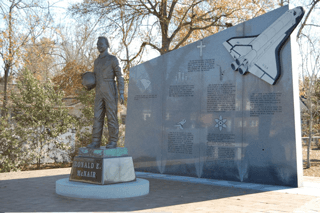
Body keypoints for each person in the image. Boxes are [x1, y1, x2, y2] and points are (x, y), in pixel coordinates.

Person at [86, 36, 124, 149]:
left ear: (107, 44)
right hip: (99, 91)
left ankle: (113, 141)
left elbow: (120, 76)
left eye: (101, 43)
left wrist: (121, 91)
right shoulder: (96, 61)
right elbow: (94, 78)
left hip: (110, 89)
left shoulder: (113, 59)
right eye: (97, 43)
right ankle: (96, 141)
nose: (99, 45)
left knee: (111, 116)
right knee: (97, 116)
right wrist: (88, 83)